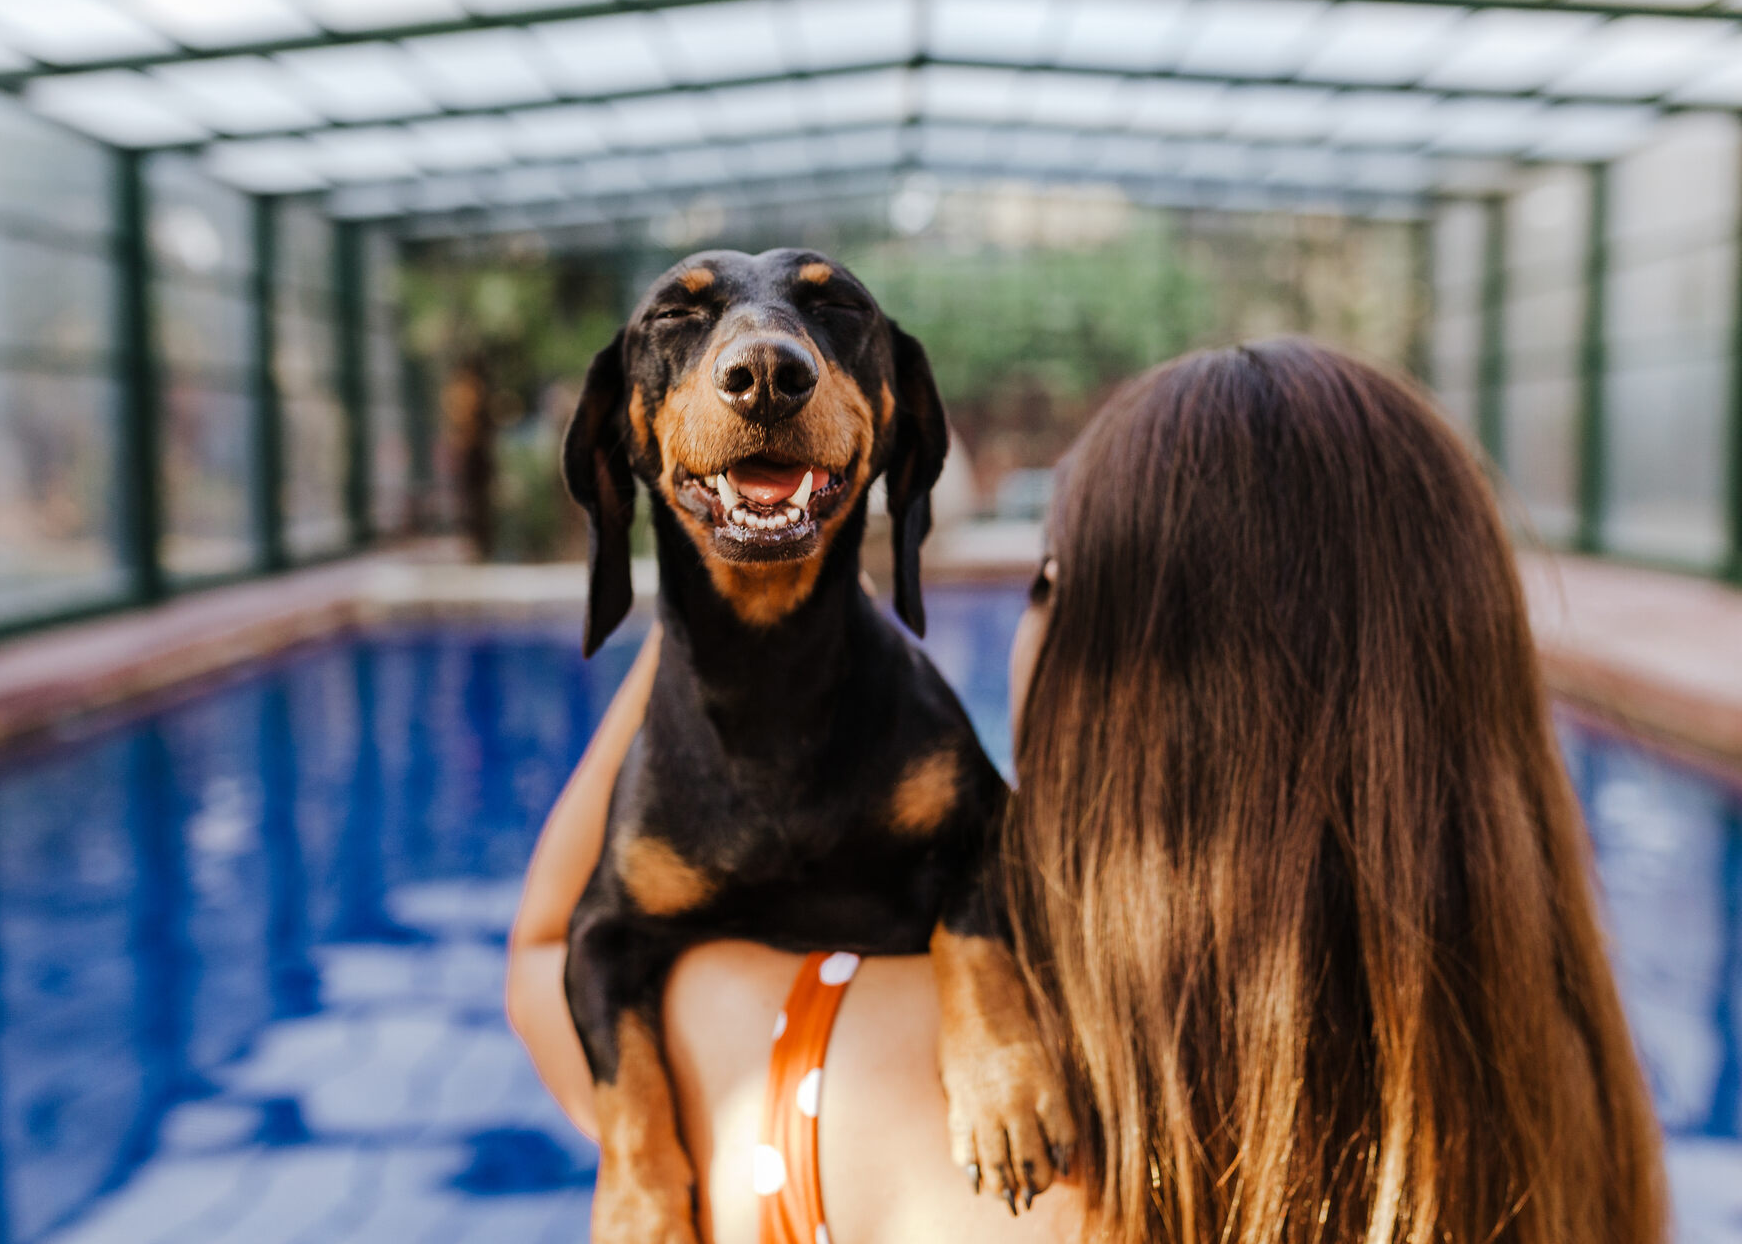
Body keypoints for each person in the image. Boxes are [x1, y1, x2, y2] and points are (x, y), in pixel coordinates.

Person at [507, 338, 1668, 1244]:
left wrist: (740, 583)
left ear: (1108, 666)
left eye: (1048, 575)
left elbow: (552, 949)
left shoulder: (835, 1060)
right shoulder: (1573, 1098)